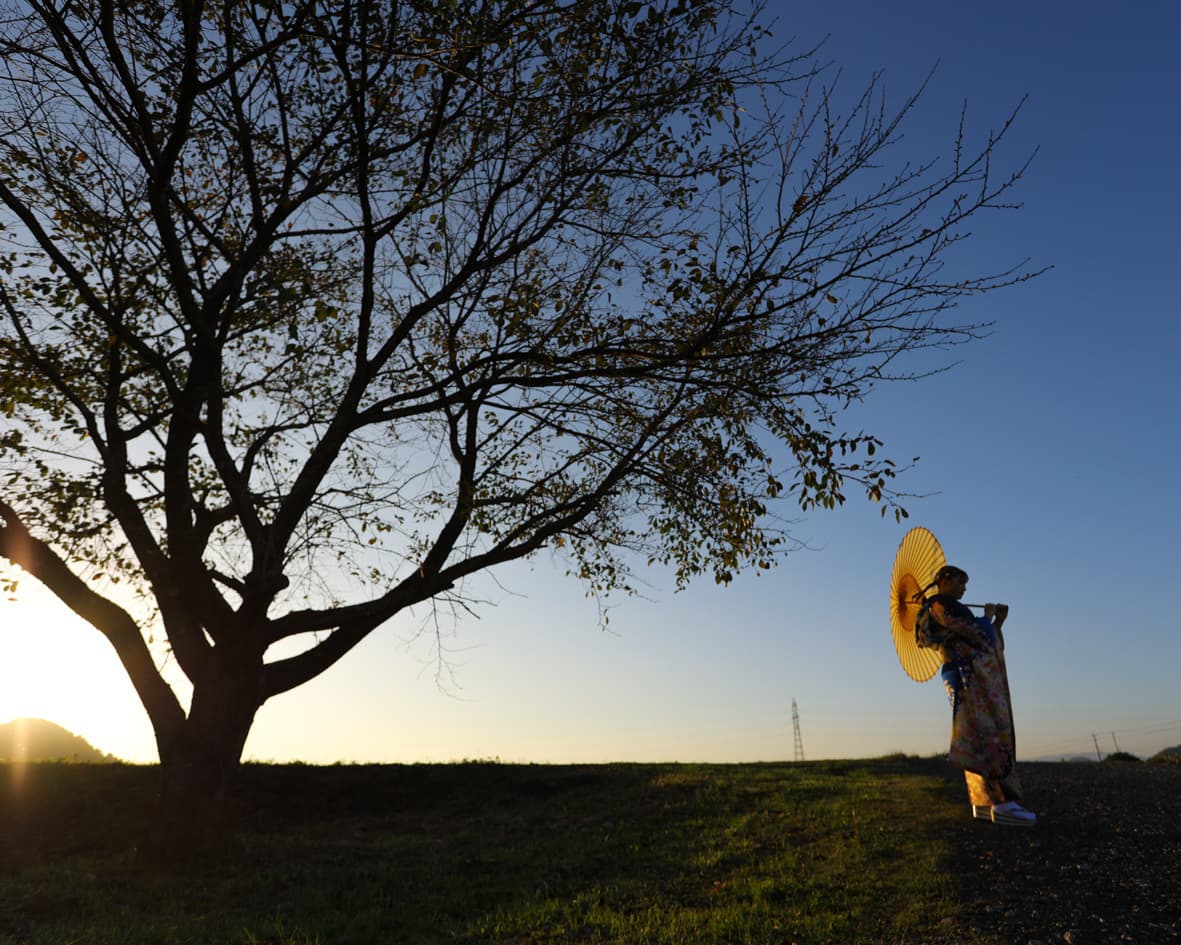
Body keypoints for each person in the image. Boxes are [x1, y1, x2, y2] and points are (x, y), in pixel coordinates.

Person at [916, 564, 1036, 826]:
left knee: (975, 733)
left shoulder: (944, 607)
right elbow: (977, 635)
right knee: (987, 730)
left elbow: (982, 637)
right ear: (944, 581)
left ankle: (983, 801)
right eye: (960, 582)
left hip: (964, 673)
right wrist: (987, 618)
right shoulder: (940, 606)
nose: (964, 588)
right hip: (967, 675)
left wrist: (997, 622)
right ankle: (1001, 803)